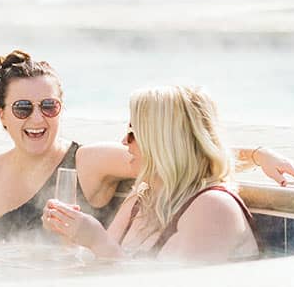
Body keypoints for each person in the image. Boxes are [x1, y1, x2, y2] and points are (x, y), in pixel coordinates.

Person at [0, 50, 294, 241]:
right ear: (2, 115)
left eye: (49, 105)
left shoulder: (89, 162)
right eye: (23, 108)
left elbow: (176, 153)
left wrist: (257, 155)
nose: (37, 119)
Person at [42, 85, 259, 263]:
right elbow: (100, 266)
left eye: (133, 133)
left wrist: (97, 240)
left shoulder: (214, 208)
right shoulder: (143, 196)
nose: (124, 141)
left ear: (163, 143)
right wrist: (71, 236)